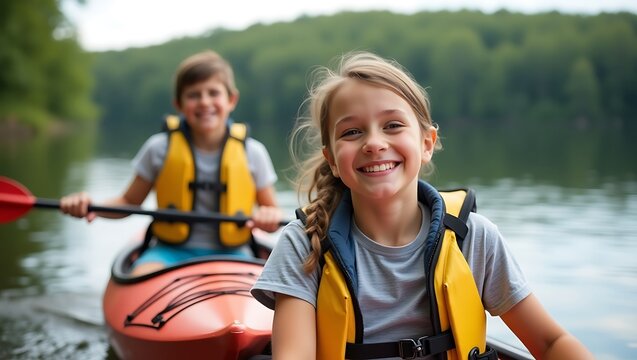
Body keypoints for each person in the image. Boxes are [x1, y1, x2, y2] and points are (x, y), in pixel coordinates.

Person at [250, 51, 593, 360]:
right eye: (352, 132)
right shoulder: (303, 245)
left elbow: (550, 344)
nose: (374, 143)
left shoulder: (473, 238)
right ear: (333, 160)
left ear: (427, 143)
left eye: (393, 125)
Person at [60, 50, 283, 275]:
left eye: (213, 93)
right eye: (194, 95)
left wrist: (269, 216)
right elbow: (129, 201)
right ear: (179, 104)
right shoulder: (158, 148)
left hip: (234, 253)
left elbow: (270, 209)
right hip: (169, 251)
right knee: (140, 276)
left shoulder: (253, 152)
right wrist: (91, 207)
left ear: (231, 100)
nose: (204, 102)